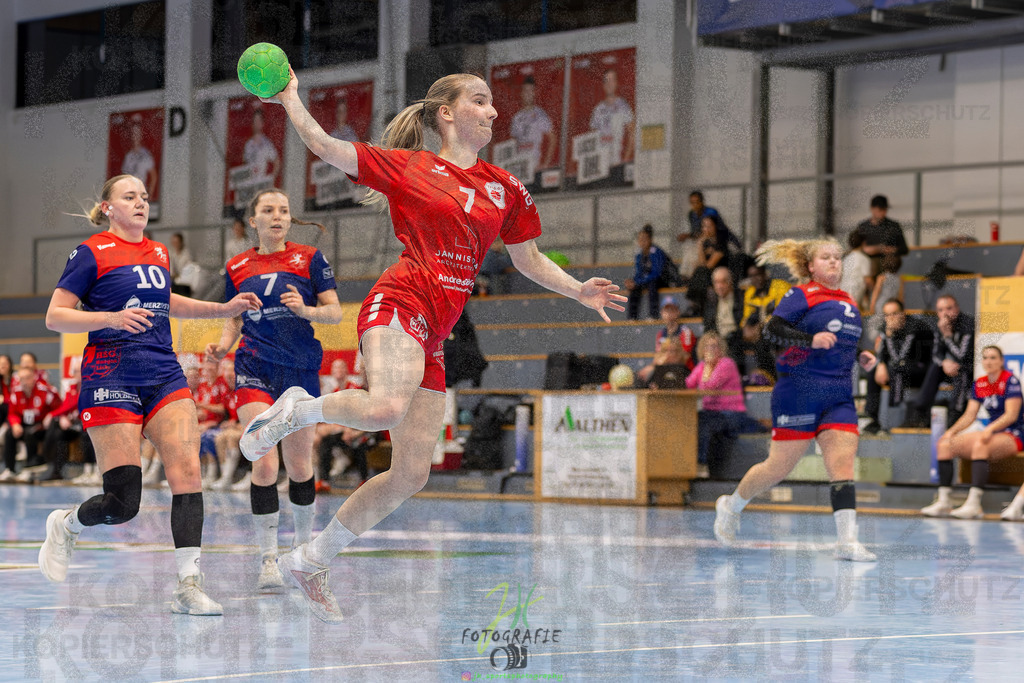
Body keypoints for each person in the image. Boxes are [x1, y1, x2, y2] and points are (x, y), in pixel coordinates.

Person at [240, 68, 626, 622]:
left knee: (413, 472)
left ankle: (313, 557)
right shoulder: (409, 167)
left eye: (494, 103)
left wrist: (577, 290)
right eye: (481, 100)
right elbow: (325, 147)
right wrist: (292, 100)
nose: (494, 111)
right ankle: (297, 410)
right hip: (401, 299)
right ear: (447, 113)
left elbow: (529, 259)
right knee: (384, 405)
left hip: (437, 331)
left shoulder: (504, 187)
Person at [38, 174, 261, 615]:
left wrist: (223, 308)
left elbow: (169, 303)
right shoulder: (90, 252)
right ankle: (66, 525)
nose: (140, 202)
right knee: (123, 504)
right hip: (111, 373)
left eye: (143, 196)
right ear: (108, 207)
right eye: (129, 196)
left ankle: (188, 586)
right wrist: (112, 319)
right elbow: (55, 317)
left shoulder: (158, 253)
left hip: (162, 371)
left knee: (188, 473)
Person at [205, 187, 342, 590]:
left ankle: (302, 554)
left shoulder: (310, 259)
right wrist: (222, 346)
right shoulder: (237, 266)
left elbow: (334, 312)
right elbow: (233, 318)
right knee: (263, 461)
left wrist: (305, 310)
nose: (278, 215)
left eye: (284, 209)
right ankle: (267, 558)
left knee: (299, 466)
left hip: (299, 369)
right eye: (268, 210)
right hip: (254, 366)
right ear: (254, 220)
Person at [713, 238, 878, 562]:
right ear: (810, 266)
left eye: (838, 257)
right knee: (777, 467)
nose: (834, 262)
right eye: (826, 258)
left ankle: (847, 541)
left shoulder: (847, 300)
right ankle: (731, 506)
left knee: (842, 462)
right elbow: (771, 332)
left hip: (838, 394)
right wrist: (809, 339)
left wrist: (861, 355)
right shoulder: (800, 295)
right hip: (799, 391)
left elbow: (838, 343)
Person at [922, 345, 1022, 519]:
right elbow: (969, 415)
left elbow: (1011, 415)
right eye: (985, 358)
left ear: (1001, 361)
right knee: (944, 444)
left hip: (1013, 433)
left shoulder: (1009, 380)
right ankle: (944, 500)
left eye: (993, 358)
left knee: (979, 444)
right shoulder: (981, 383)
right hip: (992, 433)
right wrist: (951, 431)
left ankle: (974, 504)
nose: (989, 362)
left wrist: (990, 429)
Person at [903, 294, 974, 428]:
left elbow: (963, 356)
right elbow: (936, 354)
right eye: (940, 310)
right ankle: (920, 413)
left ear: (957, 308)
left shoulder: (968, 324)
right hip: (951, 367)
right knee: (935, 366)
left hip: (969, 369)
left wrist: (947, 336)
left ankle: (955, 415)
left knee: (961, 371)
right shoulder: (939, 325)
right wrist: (944, 363)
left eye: (949, 308)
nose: (945, 313)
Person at [862, 299, 933, 435]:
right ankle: (873, 419)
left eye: (894, 314)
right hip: (898, 369)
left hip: (921, 370)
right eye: (887, 315)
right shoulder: (886, 329)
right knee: (872, 370)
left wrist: (889, 338)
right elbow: (884, 354)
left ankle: (893, 419)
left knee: (897, 369)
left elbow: (909, 357)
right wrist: (881, 364)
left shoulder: (917, 328)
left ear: (903, 314)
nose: (891, 318)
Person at [686, 332, 746, 478]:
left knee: (704, 420)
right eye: (707, 346)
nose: (711, 350)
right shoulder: (701, 366)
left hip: (731, 413)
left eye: (714, 346)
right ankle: (688, 464)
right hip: (711, 412)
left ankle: (701, 464)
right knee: (692, 419)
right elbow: (688, 384)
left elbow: (709, 386)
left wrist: (707, 366)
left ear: (721, 349)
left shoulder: (726, 364)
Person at [1, 353, 60, 481]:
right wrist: (15, 424)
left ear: (34, 378)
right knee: (10, 433)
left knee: (31, 433)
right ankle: (9, 469)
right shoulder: (16, 393)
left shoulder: (45, 391)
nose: (24, 382)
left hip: (42, 427)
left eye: (27, 378)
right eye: (21, 379)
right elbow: (12, 413)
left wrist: (51, 415)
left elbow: (59, 406)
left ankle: (31, 467)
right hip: (25, 424)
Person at [39, 361, 93, 482]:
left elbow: (75, 403)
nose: (75, 374)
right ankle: (55, 469)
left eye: (77, 371)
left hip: (87, 423)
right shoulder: (72, 387)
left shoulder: (90, 386)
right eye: (73, 372)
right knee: (58, 432)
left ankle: (90, 470)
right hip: (74, 424)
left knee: (87, 433)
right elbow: (66, 405)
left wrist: (53, 414)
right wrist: (62, 416)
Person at [741, 264, 790, 382]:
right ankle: (748, 380)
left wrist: (760, 326)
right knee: (737, 340)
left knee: (764, 340)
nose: (755, 279)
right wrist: (747, 328)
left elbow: (782, 314)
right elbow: (746, 318)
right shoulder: (750, 293)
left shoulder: (780, 287)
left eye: (758, 275)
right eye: (751, 276)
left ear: (765, 274)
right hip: (763, 333)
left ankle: (770, 378)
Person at [637, 296, 695, 384]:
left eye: (672, 310)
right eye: (666, 310)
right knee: (642, 378)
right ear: (661, 313)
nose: (669, 313)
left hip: (683, 370)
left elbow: (684, 357)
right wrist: (650, 367)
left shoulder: (686, 332)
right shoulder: (660, 334)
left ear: (677, 312)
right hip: (665, 369)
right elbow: (658, 355)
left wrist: (655, 366)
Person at [510, 75, 556, 186]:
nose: (528, 94)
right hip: (519, 169)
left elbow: (552, 138)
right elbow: (512, 143)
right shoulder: (517, 117)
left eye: (531, 91)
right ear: (521, 93)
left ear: (534, 93)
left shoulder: (540, 114)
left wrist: (545, 164)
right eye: (525, 91)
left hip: (534, 168)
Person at [589, 68, 634, 171]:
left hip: (616, 163)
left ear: (616, 83)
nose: (609, 84)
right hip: (599, 166)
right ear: (603, 84)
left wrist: (625, 161)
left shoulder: (623, 105)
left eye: (612, 80)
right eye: (606, 80)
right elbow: (592, 137)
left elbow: (632, 134)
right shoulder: (598, 109)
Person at [625, 224, 671, 320]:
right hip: (647, 280)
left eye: (645, 239)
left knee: (652, 284)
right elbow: (639, 273)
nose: (642, 241)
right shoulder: (639, 255)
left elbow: (657, 273)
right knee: (634, 288)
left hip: (661, 280)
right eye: (640, 239)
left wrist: (640, 281)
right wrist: (633, 282)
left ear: (650, 240)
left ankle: (653, 315)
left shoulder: (656, 252)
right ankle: (632, 317)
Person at [702, 266, 745, 371]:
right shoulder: (711, 301)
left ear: (731, 282)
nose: (720, 286)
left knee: (733, 347)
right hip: (718, 340)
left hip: (736, 338)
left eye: (723, 282)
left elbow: (745, 322)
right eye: (716, 282)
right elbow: (708, 325)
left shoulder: (741, 298)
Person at [854, 195, 909, 274]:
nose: (883, 213)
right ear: (872, 209)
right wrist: (866, 249)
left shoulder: (893, 226)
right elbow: (854, 246)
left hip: (888, 264)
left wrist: (886, 249)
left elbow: (904, 249)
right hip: (868, 263)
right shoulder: (863, 227)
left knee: (890, 261)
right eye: (880, 210)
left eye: (885, 210)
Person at [121, 118, 158, 193]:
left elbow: (153, 176)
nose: (135, 137)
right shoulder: (129, 155)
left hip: (140, 193)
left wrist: (150, 194)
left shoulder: (146, 154)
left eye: (137, 134)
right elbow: (124, 176)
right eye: (133, 134)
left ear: (140, 136)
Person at [840, 230, 873, 311]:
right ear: (863, 243)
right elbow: (868, 280)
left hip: (842, 291)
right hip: (855, 293)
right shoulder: (864, 259)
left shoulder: (846, 259)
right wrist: (873, 291)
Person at [244, 108, 280, 180]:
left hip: (261, 185)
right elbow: (245, 163)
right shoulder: (248, 144)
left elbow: (277, 161)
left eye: (258, 121)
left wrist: (270, 179)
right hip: (249, 184)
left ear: (262, 124)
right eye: (255, 120)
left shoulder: (266, 144)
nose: (256, 123)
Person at [169, 232, 195, 296]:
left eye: (176, 242)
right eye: (173, 242)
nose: (175, 244)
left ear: (181, 242)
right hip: (173, 280)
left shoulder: (187, 254)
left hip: (184, 282)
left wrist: (178, 276)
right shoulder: (170, 253)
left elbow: (188, 269)